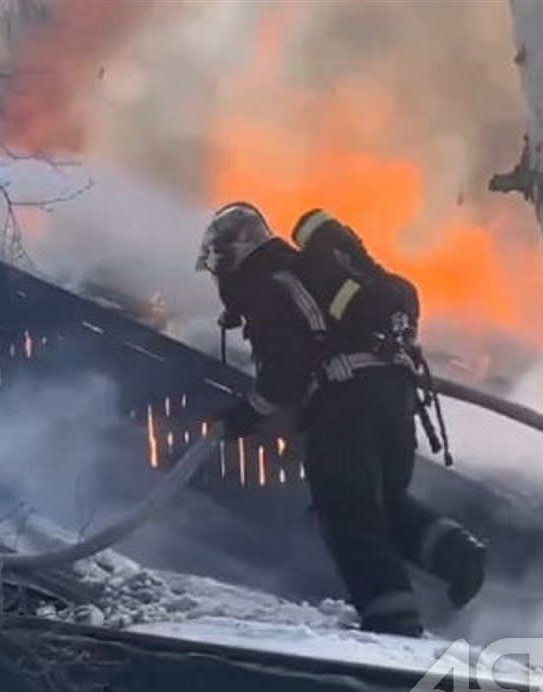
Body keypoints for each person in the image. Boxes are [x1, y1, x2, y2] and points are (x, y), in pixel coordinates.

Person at [197, 203, 486, 637]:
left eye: (218, 265)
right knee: (383, 503)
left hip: (345, 406)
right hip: (395, 398)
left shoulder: (267, 286)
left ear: (233, 254)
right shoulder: (314, 279)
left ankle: (392, 620)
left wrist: (242, 415)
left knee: (346, 512)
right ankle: (456, 554)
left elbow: (285, 376)